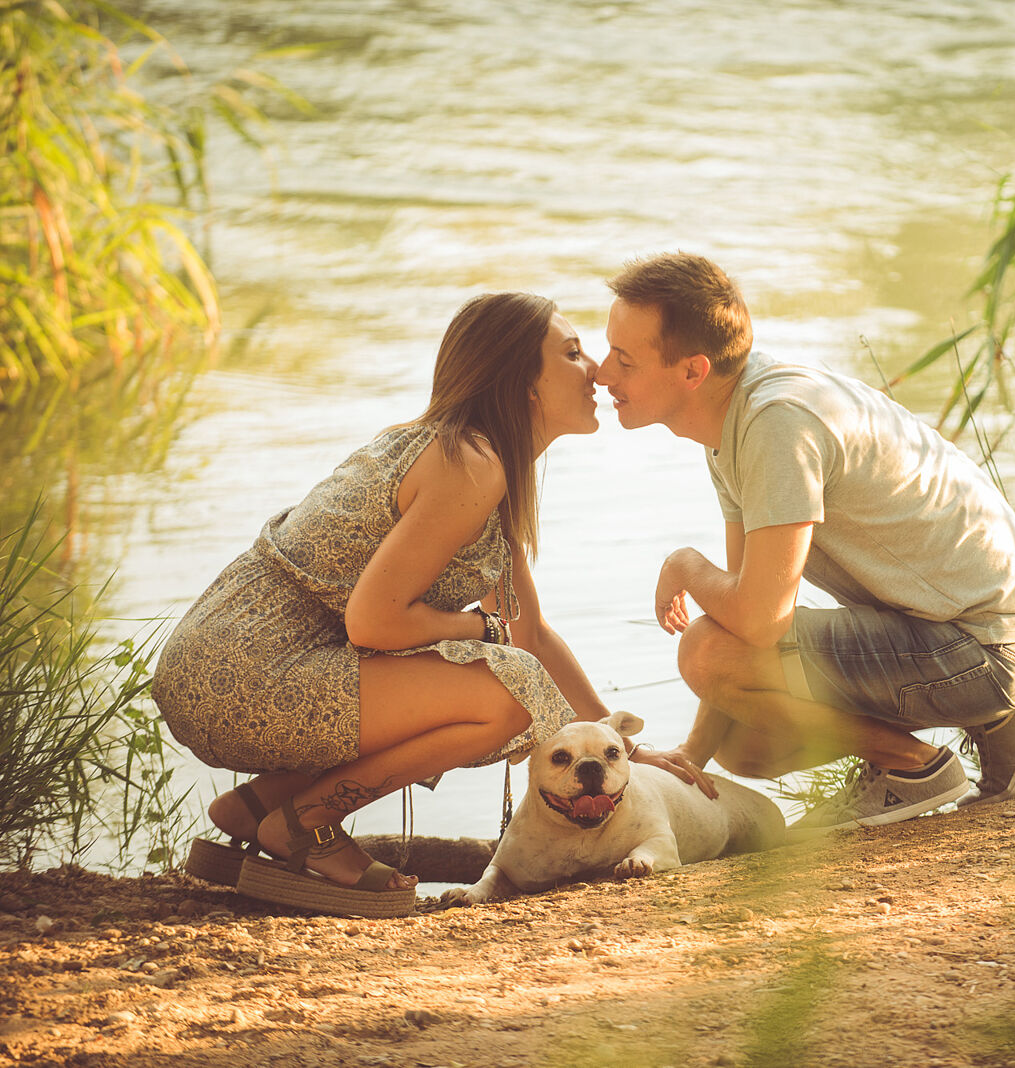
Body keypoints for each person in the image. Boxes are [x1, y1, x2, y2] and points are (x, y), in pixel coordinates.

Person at [153, 292, 709, 917]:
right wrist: (481, 628)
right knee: (509, 691)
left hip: (226, 668)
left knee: (507, 673)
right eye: (574, 353)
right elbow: (378, 621)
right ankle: (307, 822)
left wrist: (620, 743)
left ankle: (257, 809)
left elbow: (532, 635)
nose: (600, 371)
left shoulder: (479, 461)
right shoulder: (468, 462)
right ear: (522, 380)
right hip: (242, 673)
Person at [594, 253, 1015, 832]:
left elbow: (757, 624)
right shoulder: (731, 423)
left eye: (623, 358)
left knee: (703, 651)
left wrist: (685, 563)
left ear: (693, 371)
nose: (601, 373)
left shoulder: (775, 423)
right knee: (746, 745)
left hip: (985, 645)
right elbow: (741, 617)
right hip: (976, 630)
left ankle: (915, 768)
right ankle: (988, 722)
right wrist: (694, 755)